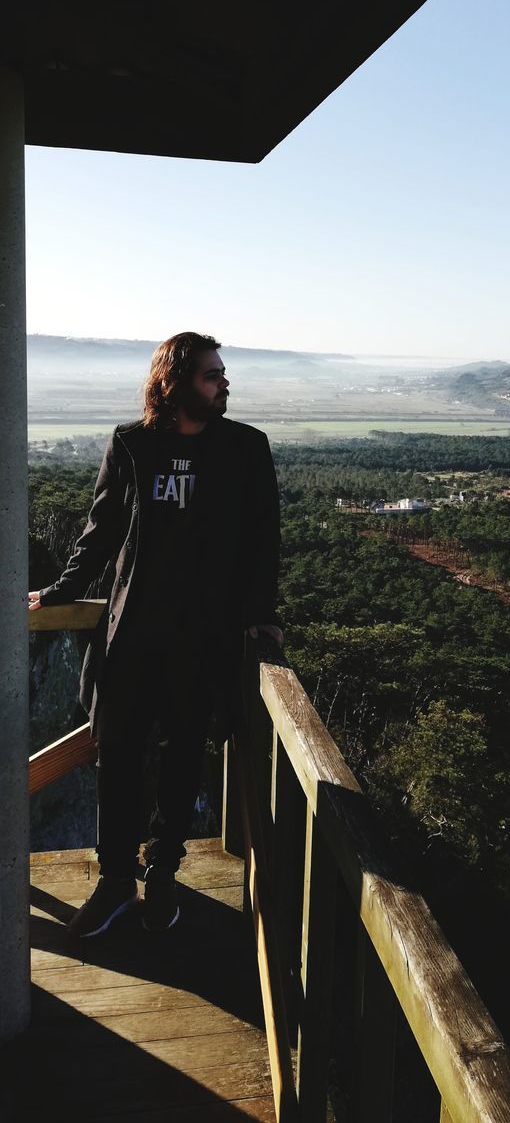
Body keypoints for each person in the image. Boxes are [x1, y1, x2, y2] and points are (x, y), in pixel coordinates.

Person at [29, 331, 282, 936]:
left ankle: (162, 876)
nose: (224, 384)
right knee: (115, 760)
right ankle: (115, 881)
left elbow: (262, 540)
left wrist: (261, 612)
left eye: (222, 374)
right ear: (173, 383)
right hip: (131, 637)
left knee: (181, 762)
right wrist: (61, 591)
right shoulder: (132, 445)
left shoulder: (245, 448)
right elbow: (102, 530)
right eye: (210, 375)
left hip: (204, 643)